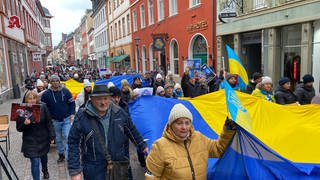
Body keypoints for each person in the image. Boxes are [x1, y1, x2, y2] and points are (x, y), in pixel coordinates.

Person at [68, 84, 148, 180]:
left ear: (110, 98)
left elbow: (132, 130)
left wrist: (143, 146)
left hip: (118, 165)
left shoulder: (119, 113)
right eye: (99, 99)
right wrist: (75, 170)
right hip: (94, 169)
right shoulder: (82, 116)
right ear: (92, 99)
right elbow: (73, 142)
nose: (103, 102)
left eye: (106, 99)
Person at [145, 103, 236, 179]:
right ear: (171, 125)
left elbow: (218, 149)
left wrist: (228, 130)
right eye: (179, 123)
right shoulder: (160, 146)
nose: (184, 127)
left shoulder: (199, 138)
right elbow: (152, 177)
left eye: (187, 123)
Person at [16, 91, 55, 180]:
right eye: (30, 98)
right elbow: (19, 128)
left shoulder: (43, 106)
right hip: (30, 140)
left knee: (44, 158)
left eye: (34, 98)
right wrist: (25, 124)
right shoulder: (21, 109)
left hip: (43, 138)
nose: (32, 100)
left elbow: (49, 122)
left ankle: (45, 171)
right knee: (35, 161)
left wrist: (52, 135)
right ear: (26, 100)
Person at [41, 74, 75, 163]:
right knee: (58, 139)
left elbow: (72, 103)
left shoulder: (66, 91)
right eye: (53, 81)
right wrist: (47, 118)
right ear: (50, 82)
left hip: (66, 119)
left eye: (57, 81)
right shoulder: (46, 94)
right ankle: (61, 154)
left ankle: (68, 157)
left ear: (59, 82)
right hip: (54, 120)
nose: (55, 82)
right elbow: (43, 108)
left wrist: (72, 114)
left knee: (67, 136)